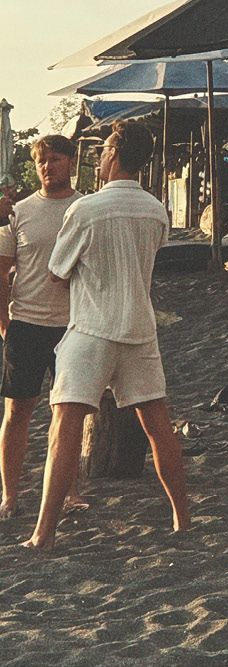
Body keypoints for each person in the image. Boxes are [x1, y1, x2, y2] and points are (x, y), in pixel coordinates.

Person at [24, 123, 189, 551]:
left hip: (92, 327)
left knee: (66, 423)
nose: (97, 159)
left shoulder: (86, 209)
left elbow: (58, 273)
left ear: (114, 154)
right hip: (138, 327)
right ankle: (181, 517)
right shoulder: (156, 209)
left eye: (102, 152)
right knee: (158, 426)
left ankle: (44, 531)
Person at [1, 135, 79, 519]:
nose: (48, 166)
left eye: (56, 159)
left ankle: (72, 491)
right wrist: (4, 321)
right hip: (26, 323)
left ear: (71, 162)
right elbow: (2, 271)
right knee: (17, 413)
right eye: (42, 161)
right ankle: (10, 494)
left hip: (74, 325)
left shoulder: (85, 207)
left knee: (69, 413)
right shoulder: (18, 211)